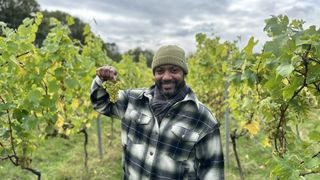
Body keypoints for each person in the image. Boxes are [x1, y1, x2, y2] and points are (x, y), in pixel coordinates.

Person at [90, 45, 224, 180]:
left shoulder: (203, 118)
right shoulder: (133, 100)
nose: (166, 77)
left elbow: (212, 172)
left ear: (184, 73)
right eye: (160, 71)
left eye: (174, 70)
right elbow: (100, 103)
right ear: (154, 74)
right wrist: (102, 80)